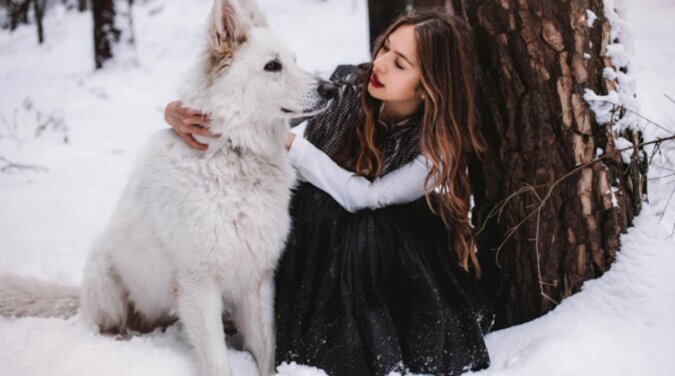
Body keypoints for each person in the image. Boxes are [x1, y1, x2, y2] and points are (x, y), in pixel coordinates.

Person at [165, 8, 493, 376]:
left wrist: (294, 146)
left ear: (429, 85)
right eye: (384, 48)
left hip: (380, 249)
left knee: (364, 230)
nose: (380, 64)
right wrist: (178, 112)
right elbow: (260, 98)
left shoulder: (434, 153)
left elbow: (367, 199)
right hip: (316, 225)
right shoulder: (351, 85)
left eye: (399, 64)